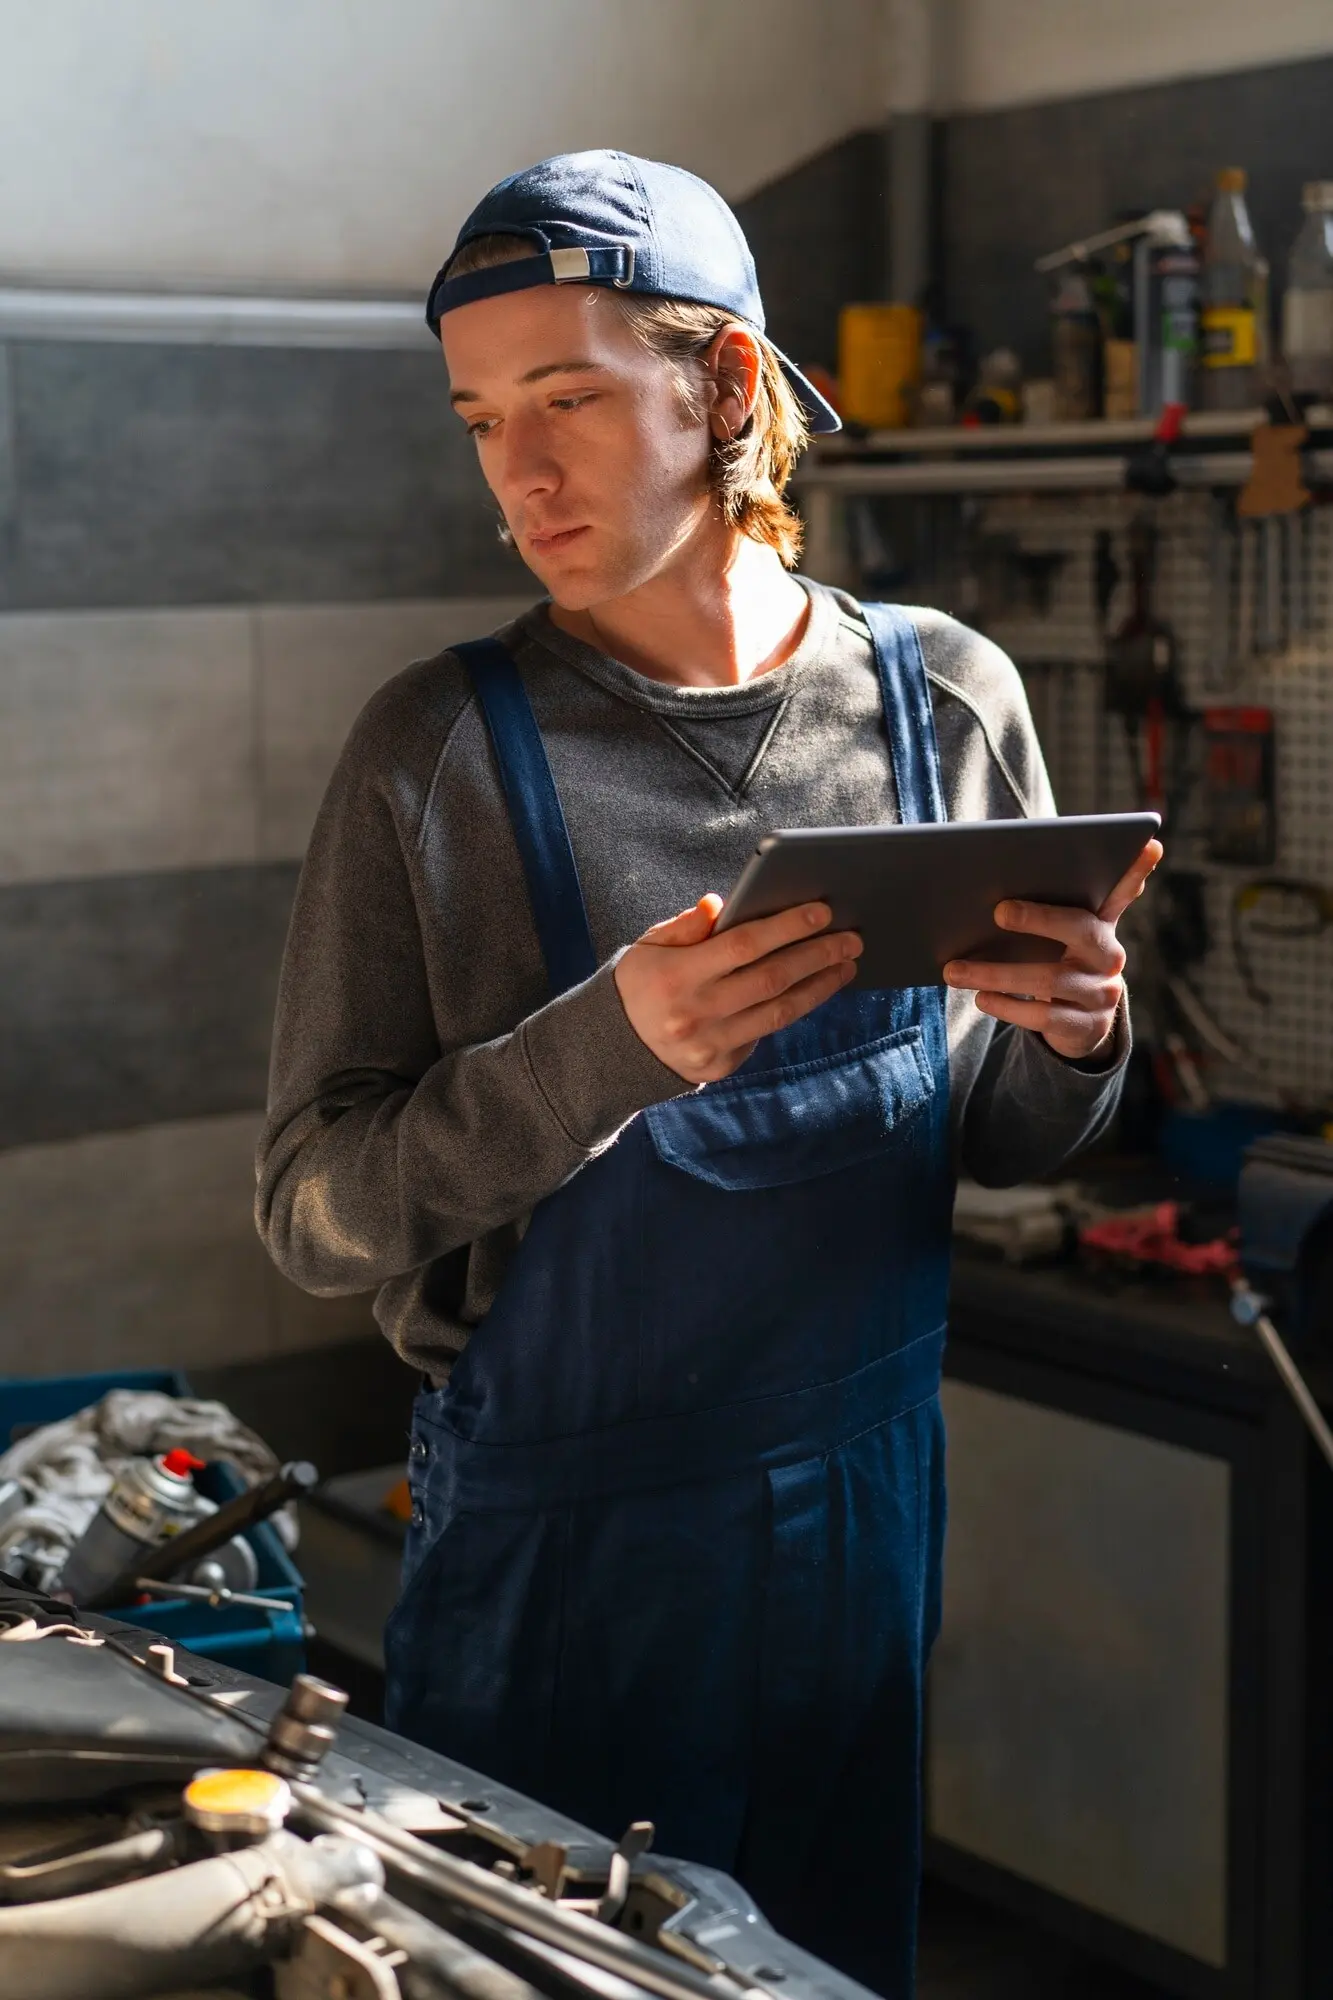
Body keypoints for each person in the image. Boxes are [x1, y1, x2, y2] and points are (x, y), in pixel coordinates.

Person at [257, 150, 1160, 1995]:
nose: (519, 474)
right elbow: (312, 1211)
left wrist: (1077, 1032)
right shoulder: (435, 754)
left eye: (569, 400)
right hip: (566, 1567)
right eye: (482, 420)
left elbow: (1004, 1134)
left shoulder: (943, 700)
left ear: (726, 387)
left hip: (863, 1518)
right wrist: (609, 1050)